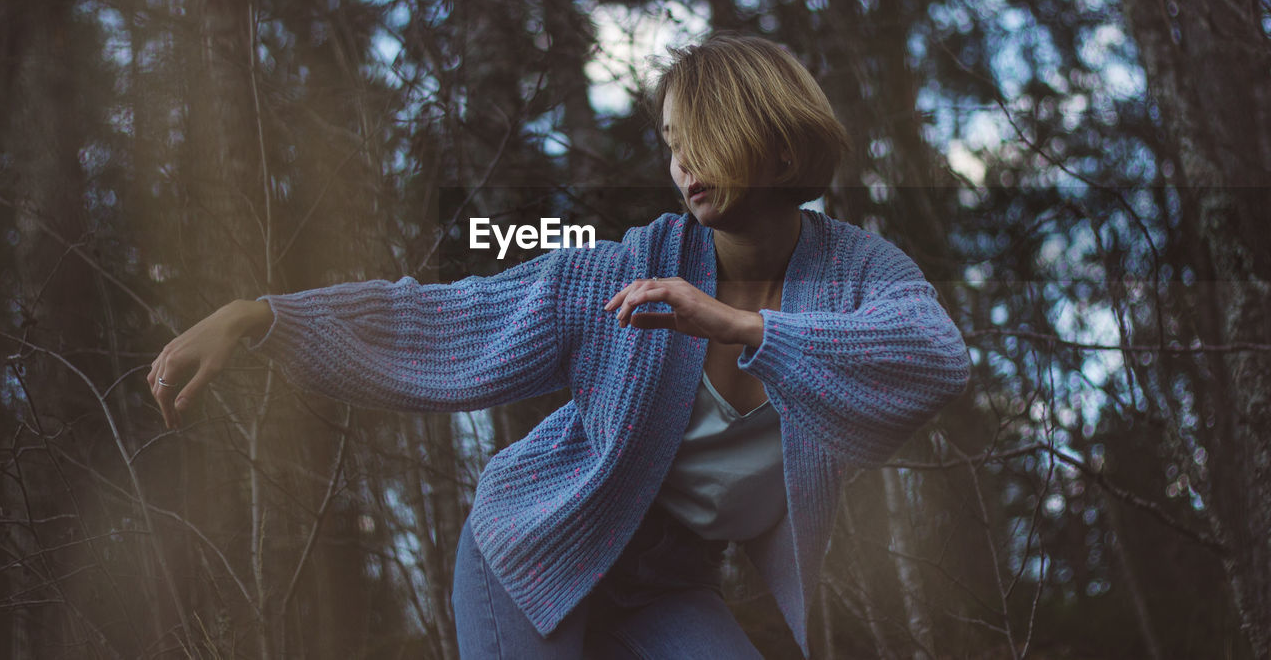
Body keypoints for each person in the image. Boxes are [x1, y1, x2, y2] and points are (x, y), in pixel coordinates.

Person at [147, 33, 971, 658]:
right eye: (673, 142)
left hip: (669, 580)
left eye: (703, 137)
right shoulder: (628, 275)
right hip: (534, 551)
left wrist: (740, 327)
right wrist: (264, 316)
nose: (683, 162)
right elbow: (450, 320)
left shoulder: (858, 271)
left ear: (780, 145)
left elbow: (935, 357)